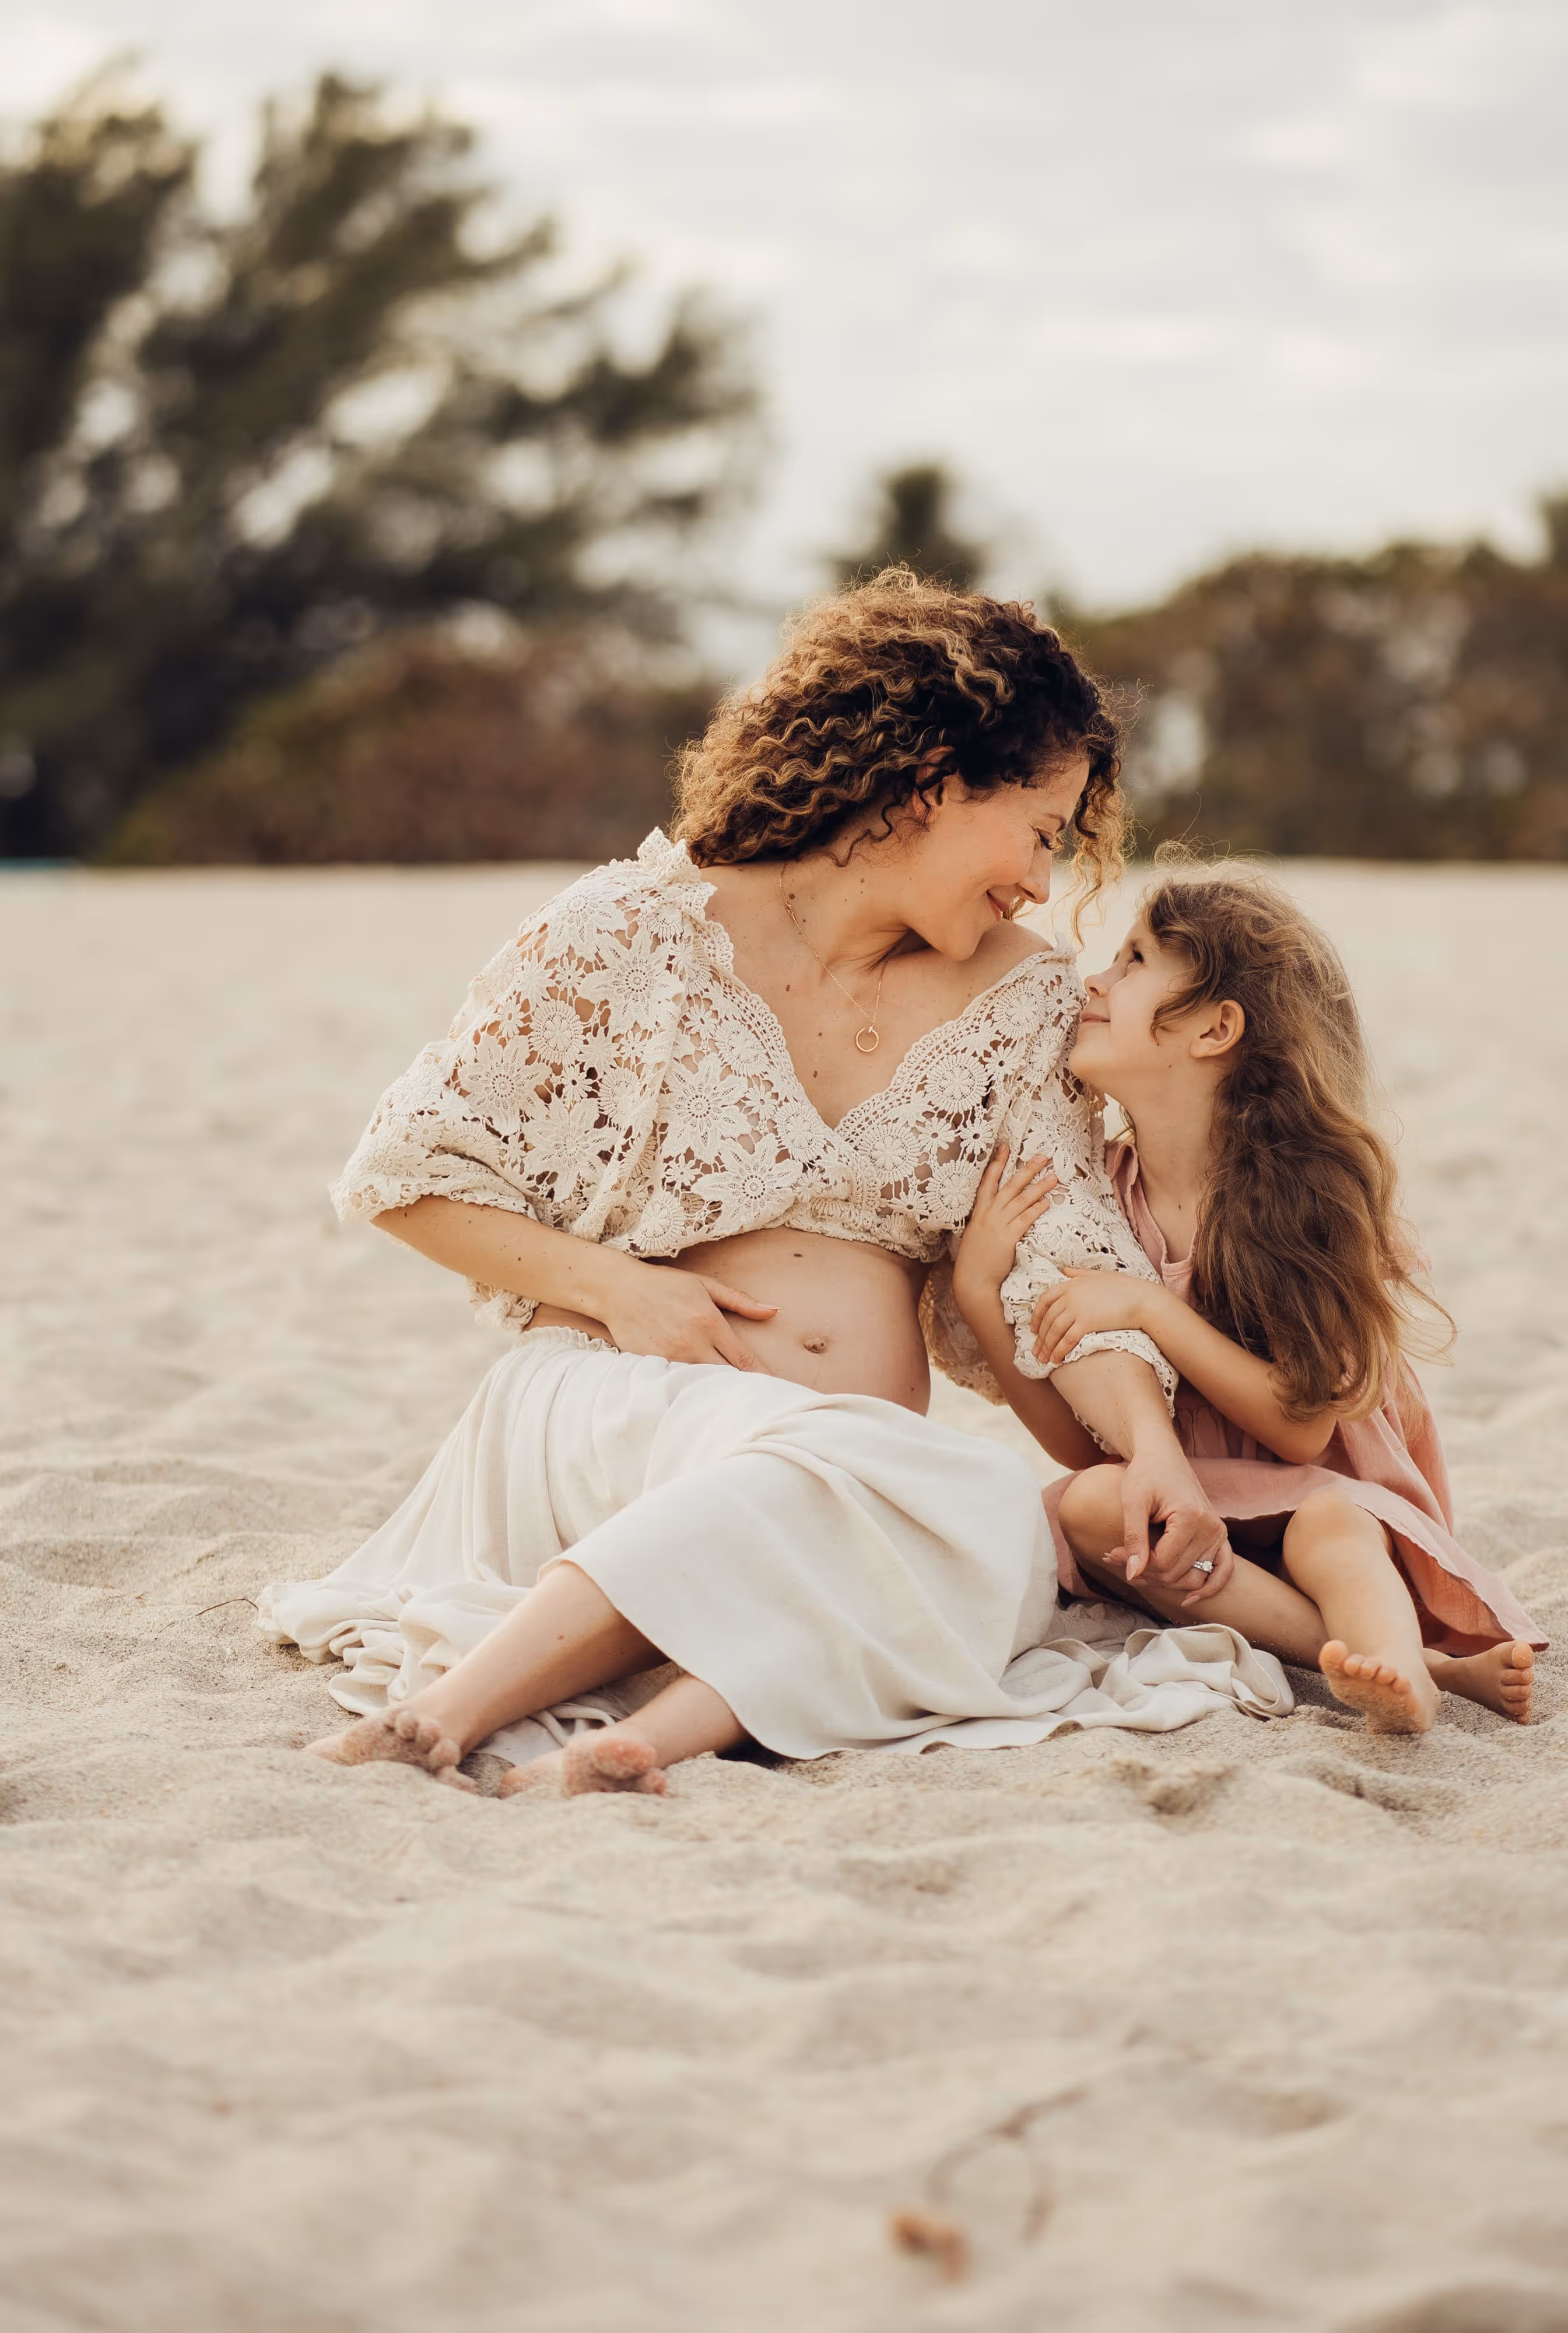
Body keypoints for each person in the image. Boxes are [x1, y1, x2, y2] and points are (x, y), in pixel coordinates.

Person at [259, 573, 1262, 1798]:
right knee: (947, 1493)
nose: (1043, 884)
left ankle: (638, 1736)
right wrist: (618, 1289)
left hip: (846, 1465)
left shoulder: (1029, 1003)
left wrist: (1151, 1446)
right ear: (935, 778)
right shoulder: (629, 933)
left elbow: (1062, 1268)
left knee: (991, 1516)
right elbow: (407, 1173)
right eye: (1039, 830)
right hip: (606, 1403)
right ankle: (444, 1716)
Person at [950, 859, 1544, 1736]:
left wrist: (1153, 1310)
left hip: (1323, 1501)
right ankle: (1431, 1672)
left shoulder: (1300, 1200)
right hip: (1200, 1525)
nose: (1099, 981)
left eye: (1137, 962)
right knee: (1084, 1507)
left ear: (1215, 1028)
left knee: (1328, 1528)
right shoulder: (1097, 1199)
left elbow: (1304, 1430)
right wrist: (976, 1290)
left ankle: (1407, 1681)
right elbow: (1081, 1443)